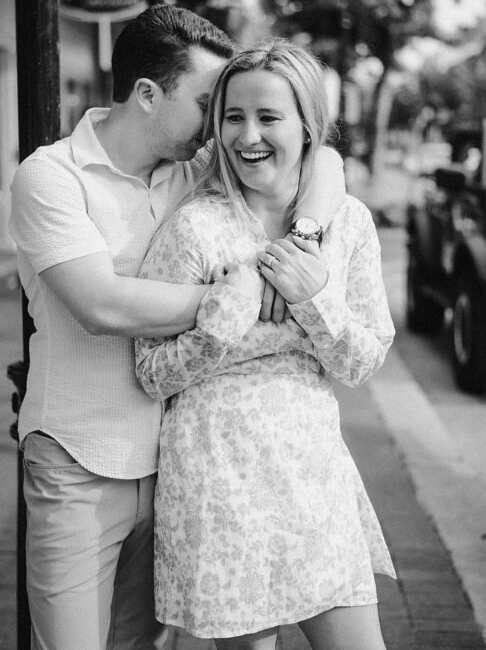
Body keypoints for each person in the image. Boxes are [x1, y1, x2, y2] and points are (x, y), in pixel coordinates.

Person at [8, 5, 348, 650]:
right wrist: (234, 293)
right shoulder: (50, 177)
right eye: (205, 102)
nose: (218, 126)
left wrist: (303, 240)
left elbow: (320, 159)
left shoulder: (190, 172)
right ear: (147, 94)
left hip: (175, 465)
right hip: (79, 460)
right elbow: (101, 305)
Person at [135, 40, 395, 649]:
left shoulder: (347, 224)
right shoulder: (195, 227)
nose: (246, 135)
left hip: (313, 474)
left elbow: (362, 359)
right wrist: (222, 323)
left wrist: (313, 297)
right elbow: (150, 373)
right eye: (232, 116)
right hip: (216, 476)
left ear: (308, 125)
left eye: (268, 117)